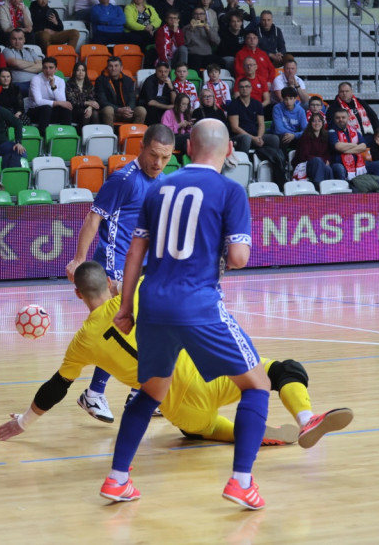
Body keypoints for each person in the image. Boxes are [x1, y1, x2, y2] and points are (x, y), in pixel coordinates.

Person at [0, 261, 353, 449]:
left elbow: (56, 388)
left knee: (197, 430)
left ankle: (252, 435)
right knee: (282, 369)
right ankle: (306, 416)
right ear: (110, 283)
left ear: (78, 296)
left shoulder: (82, 342)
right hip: (212, 374)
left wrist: (23, 422)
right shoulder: (136, 296)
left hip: (179, 406)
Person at [102, 119, 269, 508]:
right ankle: (241, 481)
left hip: (153, 304)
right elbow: (240, 258)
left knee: (151, 391)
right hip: (197, 305)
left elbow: (134, 253)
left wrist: (126, 307)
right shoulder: (230, 189)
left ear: (187, 147)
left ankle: (117, 478)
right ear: (229, 151)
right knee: (257, 385)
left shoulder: (158, 187)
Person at [65, 124, 174, 424]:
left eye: (165, 158)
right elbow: (93, 217)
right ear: (142, 148)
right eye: (153, 155)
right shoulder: (123, 179)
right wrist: (78, 260)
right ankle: (99, 393)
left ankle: (131, 391)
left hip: (143, 268)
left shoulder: (162, 181)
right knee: (125, 331)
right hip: (114, 266)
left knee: (144, 333)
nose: (158, 163)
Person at [227, 78, 286, 185]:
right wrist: (253, 138)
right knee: (246, 139)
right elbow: (235, 128)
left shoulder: (257, 104)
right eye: (242, 87)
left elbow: (261, 124)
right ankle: (244, 168)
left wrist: (259, 137)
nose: (244, 89)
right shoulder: (233, 105)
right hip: (239, 137)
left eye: (247, 86)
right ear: (239, 89)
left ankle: (273, 165)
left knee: (274, 139)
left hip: (255, 136)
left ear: (251, 89)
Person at [328, 106, 379, 181]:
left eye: (343, 117)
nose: (341, 120)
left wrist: (345, 150)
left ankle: (370, 186)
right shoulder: (331, 131)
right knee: (338, 168)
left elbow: (363, 146)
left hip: (359, 163)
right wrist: (355, 145)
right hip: (341, 164)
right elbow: (338, 147)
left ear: (348, 118)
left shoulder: (354, 131)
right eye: (338, 118)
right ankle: (348, 189)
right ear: (334, 119)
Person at [95, 56, 147, 125]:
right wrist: (119, 110)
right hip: (112, 112)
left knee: (141, 111)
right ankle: (110, 135)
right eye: (110, 66)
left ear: (121, 68)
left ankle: (132, 133)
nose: (113, 69)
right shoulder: (100, 80)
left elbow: (132, 98)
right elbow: (102, 101)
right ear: (107, 68)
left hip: (126, 112)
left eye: (116, 66)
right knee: (108, 110)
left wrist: (128, 109)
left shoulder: (128, 80)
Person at [28, 56, 73, 130]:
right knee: (47, 108)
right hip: (35, 111)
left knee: (66, 109)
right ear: (42, 69)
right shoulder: (36, 79)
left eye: (51, 68)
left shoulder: (60, 81)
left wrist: (53, 86)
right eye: (45, 68)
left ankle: (65, 134)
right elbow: (38, 101)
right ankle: (43, 135)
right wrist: (58, 103)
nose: (48, 70)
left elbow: (62, 101)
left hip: (51, 112)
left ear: (56, 69)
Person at [291, 111, 333, 184]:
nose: (317, 123)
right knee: (317, 160)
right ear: (310, 123)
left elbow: (327, 153)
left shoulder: (325, 136)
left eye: (319, 121)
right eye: (314, 121)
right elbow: (304, 156)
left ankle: (329, 190)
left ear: (322, 123)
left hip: (320, 164)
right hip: (306, 165)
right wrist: (322, 160)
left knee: (328, 168)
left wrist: (327, 160)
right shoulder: (305, 136)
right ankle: (317, 185)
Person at [3, 29, 43, 93]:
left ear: (24, 40)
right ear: (10, 40)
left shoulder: (30, 50)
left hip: (35, 82)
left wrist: (20, 67)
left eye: (20, 39)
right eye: (14, 39)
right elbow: (15, 63)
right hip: (19, 83)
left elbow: (41, 66)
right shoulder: (7, 50)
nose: (17, 41)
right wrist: (34, 63)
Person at [184, 5, 220, 71]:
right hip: (193, 54)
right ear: (193, 16)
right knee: (195, 60)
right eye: (196, 14)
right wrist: (191, 30)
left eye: (201, 14)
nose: (198, 16)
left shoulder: (209, 27)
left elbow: (217, 42)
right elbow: (185, 43)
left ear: (205, 16)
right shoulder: (187, 28)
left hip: (207, 54)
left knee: (219, 61)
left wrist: (208, 30)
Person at [272, 86, 308, 152]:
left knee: (305, 139)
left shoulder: (301, 111)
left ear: (295, 99)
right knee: (284, 138)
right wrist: (292, 135)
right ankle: (283, 161)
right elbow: (278, 129)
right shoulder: (277, 108)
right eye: (286, 99)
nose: (288, 102)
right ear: (283, 99)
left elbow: (305, 129)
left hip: (294, 136)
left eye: (291, 98)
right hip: (281, 135)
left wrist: (294, 135)